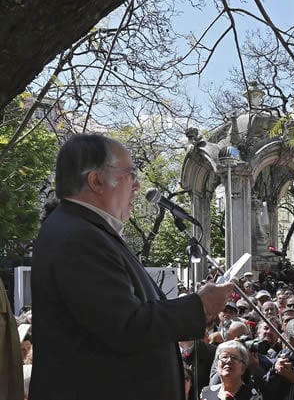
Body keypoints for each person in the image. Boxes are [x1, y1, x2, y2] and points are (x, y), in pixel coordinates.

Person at [29, 134, 234, 400]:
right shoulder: (79, 236)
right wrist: (199, 306)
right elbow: (125, 325)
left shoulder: (84, 229)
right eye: (131, 174)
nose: (137, 186)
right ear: (97, 180)